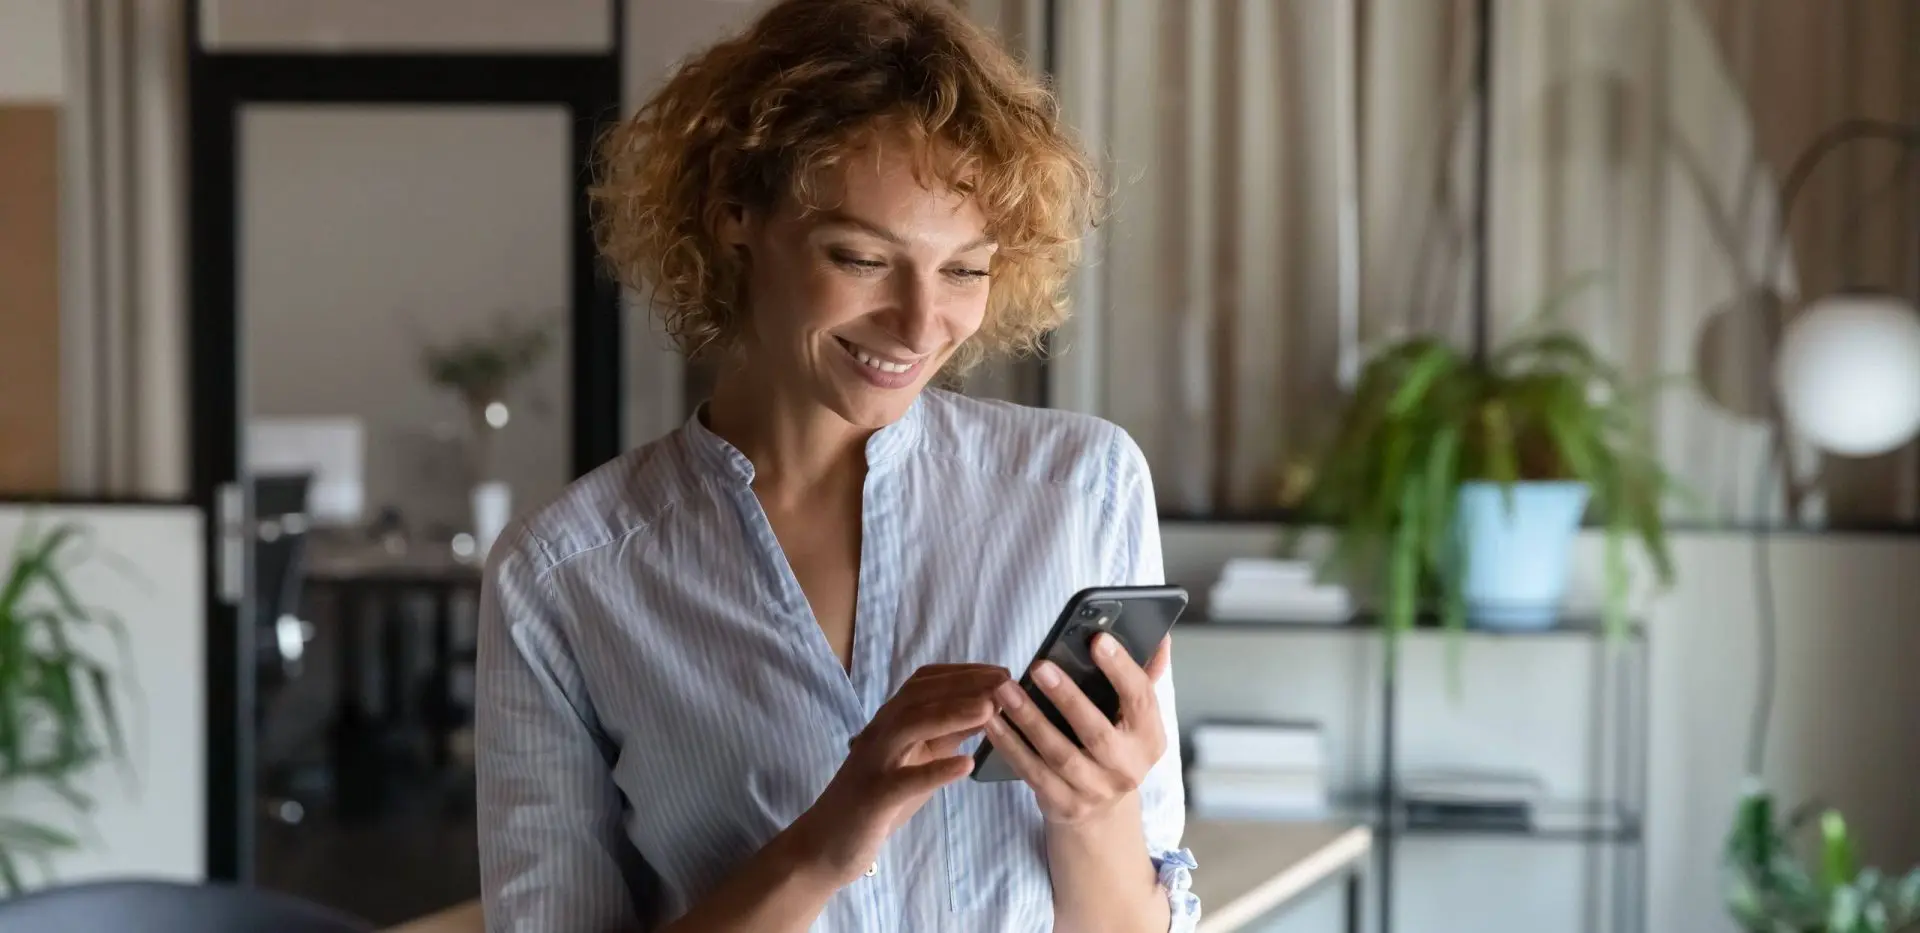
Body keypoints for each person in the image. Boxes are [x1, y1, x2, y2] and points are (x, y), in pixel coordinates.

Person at [474, 1, 1198, 930]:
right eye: (861, 257)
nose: (919, 322)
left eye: (965, 271)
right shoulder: (565, 576)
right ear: (734, 213)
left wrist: (1092, 806)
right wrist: (824, 843)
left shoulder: (1082, 490)